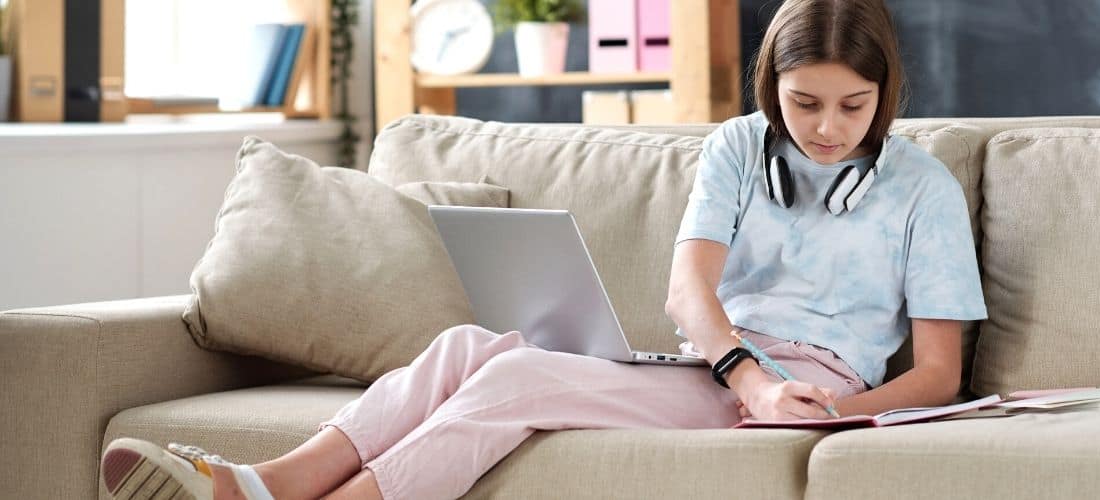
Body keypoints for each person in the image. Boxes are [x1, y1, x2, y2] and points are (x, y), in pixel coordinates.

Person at [98, 1, 986, 498]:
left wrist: (834, 410)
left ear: (886, 94)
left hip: (805, 387)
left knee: (514, 380)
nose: (827, 128)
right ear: (772, 89)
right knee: (462, 347)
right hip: (719, 368)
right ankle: (269, 484)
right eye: (804, 103)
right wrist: (743, 371)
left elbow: (940, 374)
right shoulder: (737, 147)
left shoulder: (923, 190)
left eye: (852, 105)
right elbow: (689, 289)